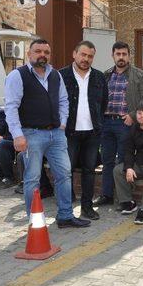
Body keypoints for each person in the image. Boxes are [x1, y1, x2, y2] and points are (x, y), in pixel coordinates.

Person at [4, 39, 90, 228]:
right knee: (32, 179)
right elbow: (10, 108)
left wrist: (63, 123)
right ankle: (35, 221)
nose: (42, 55)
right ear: (29, 54)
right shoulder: (17, 76)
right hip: (31, 135)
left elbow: (63, 101)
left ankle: (65, 216)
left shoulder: (55, 75)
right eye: (38, 51)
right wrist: (17, 135)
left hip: (56, 135)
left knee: (64, 175)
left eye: (46, 52)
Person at [96, 41, 143, 207]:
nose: (121, 57)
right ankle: (106, 195)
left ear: (129, 56)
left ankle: (124, 197)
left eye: (124, 54)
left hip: (124, 124)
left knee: (122, 161)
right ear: (112, 55)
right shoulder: (105, 75)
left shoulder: (139, 75)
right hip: (106, 123)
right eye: (118, 54)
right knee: (107, 161)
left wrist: (133, 115)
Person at [59, 41, 108, 220]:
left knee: (89, 170)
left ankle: (87, 207)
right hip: (69, 132)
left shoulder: (99, 77)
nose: (86, 59)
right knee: (66, 170)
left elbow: (103, 103)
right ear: (75, 54)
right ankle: (65, 209)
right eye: (83, 55)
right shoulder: (61, 75)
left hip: (92, 132)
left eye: (90, 56)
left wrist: (98, 123)